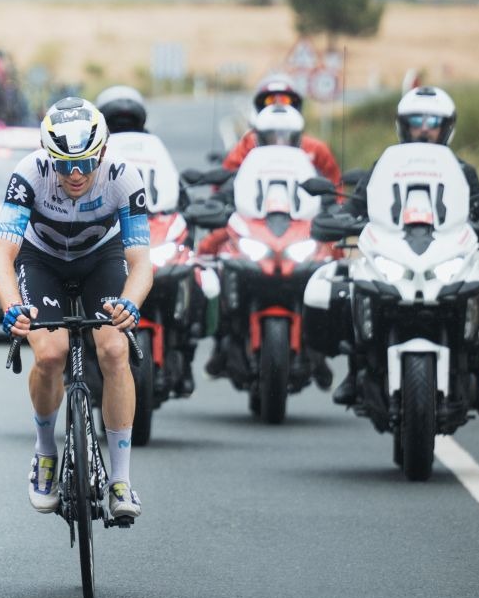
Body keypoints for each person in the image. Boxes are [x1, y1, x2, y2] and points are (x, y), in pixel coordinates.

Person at [0, 97, 151, 521]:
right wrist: (12, 308)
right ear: (49, 156)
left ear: (102, 152)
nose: (75, 174)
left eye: (84, 163)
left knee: (114, 350)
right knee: (49, 354)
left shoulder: (123, 176)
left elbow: (141, 263)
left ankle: (121, 480)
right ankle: (45, 451)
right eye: (64, 165)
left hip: (101, 258)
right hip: (41, 259)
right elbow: (2, 257)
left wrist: (131, 304)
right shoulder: (29, 173)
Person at [332, 86, 479, 415]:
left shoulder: (463, 171)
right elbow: (355, 206)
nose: (424, 129)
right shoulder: (384, 166)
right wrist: (340, 220)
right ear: (403, 126)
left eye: (432, 122)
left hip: (446, 257)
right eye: (416, 121)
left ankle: (477, 379)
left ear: (446, 127)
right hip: (393, 255)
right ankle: (355, 371)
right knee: (345, 286)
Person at [201, 103, 335, 388]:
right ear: (259, 136)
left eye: (286, 135)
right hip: (253, 231)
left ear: (297, 136)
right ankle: (218, 339)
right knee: (204, 254)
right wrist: (215, 204)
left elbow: (329, 192)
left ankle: (323, 347)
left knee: (337, 262)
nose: (279, 140)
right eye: (273, 135)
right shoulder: (249, 161)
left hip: (298, 233)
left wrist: (335, 209)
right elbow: (228, 188)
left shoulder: (307, 162)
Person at [96, 84, 200, 397]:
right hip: (109, 236)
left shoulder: (155, 150)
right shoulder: (94, 151)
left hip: (154, 232)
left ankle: (186, 351)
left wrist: (192, 213)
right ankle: (77, 360)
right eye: (117, 119)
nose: (123, 123)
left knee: (200, 276)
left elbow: (178, 194)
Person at [222, 75, 341, 186]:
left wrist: (333, 199)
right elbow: (225, 179)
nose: (278, 104)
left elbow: (335, 182)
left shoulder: (315, 148)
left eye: (284, 100)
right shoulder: (247, 145)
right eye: (270, 100)